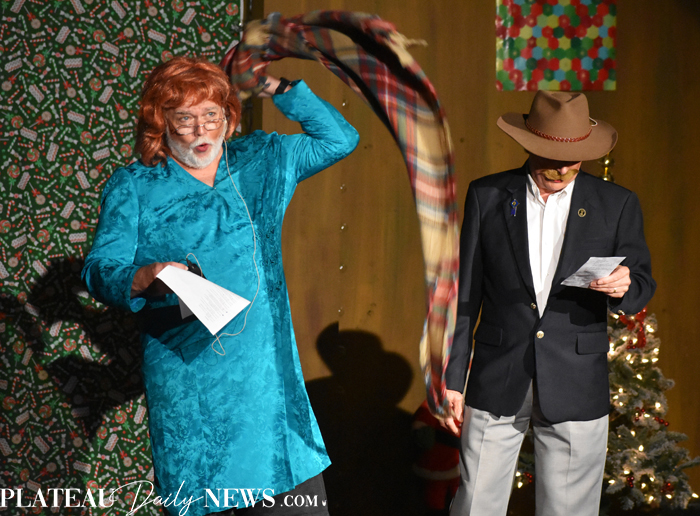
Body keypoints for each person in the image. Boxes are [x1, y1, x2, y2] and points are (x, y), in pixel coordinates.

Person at [82, 56, 359, 516]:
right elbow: (98, 269)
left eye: (211, 115)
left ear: (229, 117)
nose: (200, 130)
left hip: (270, 387)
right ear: (160, 123)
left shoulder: (262, 160)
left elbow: (339, 139)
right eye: (184, 119)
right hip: (193, 387)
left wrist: (273, 85)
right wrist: (142, 277)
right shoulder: (136, 186)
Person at [441, 91, 655, 516]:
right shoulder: (487, 195)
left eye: (573, 159)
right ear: (529, 145)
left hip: (576, 380)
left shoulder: (617, 204)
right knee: (475, 505)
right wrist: (452, 378)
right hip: (496, 374)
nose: (562, 168)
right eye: (552, 157)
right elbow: (465, 293)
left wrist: (624, 285)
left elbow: (642, 284)